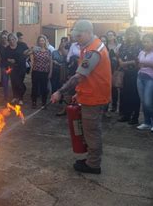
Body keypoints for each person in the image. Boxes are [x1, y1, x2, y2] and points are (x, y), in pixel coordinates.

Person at [51, 20, 111, 174]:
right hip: (90, 95)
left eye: (78, 35)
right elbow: (88, 77)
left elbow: (78, 76)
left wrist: (60, 92)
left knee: (92, 131)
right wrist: (79, 92)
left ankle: (93, 164)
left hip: (94, 98)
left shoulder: (93, 51)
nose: (76, 39)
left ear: (87, 32)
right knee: (89, 130)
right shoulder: (89, 47)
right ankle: (91, 158)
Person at [117, 26, 142, 125]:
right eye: (128, 34)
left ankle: (134, 116)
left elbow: (139, 59)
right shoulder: (124, 44)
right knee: (124, 94)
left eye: (132, 34)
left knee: (134, 95)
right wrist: (120, 62)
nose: (130, 36)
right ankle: (125, 114)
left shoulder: (140, 45)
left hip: (135, 72)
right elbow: (118, 55)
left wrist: (125, 63)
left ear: (136, 35)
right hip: (124, 72)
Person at [6, 33, 29, 105]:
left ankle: (20, 98)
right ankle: (15, 97)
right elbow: (5, 57)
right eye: (10, 40)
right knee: (13, 83)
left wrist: (16, 60)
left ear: (16, 39)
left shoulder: (22, 45)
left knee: (19, 82)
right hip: (12, 68)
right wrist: (8, 60)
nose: (11, 41)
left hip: (21, 67)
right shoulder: (7, 48)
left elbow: (26, 54)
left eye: (13, 39)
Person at [30, 35, 53, 108]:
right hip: (36, 71)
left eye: (43, 40)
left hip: (45, 72)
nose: (41, 42)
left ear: (45, 41)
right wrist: (30, 49)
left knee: (44, 88)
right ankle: (34, 102)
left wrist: (50, 72)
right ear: (38, 42)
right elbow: (26, 54)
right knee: (35, 87)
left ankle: (44, 103)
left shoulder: (48, 51)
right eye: (40, 40)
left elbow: (51, 62)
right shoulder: (35, 50)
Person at [106, 31, 119, 113]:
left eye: (111, 35)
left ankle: (114, 105)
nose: (109, 36)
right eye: (108, 35)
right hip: (106, 68)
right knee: (106, 87)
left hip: (115, 68)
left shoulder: (119, 46)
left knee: (114, 88)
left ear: (114, 36)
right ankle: (106, 106)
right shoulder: (104, 45)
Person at [0, 31, 10, 101]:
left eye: (5, 37)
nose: (4, 39)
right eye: (3, 37)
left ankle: (15, 96)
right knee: (5, 80)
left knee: (14, 81)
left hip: (11, 66)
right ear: (1, 38)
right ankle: (6, 96)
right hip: (4, 66)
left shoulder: (10, 45)